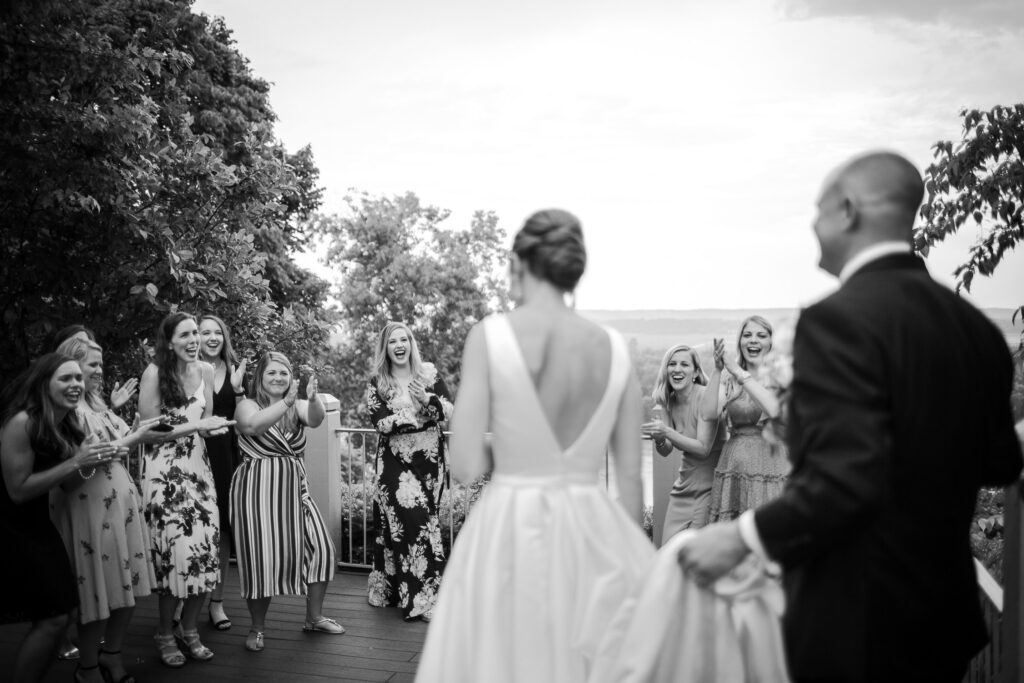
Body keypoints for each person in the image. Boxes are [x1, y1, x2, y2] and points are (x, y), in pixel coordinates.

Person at [677, 151, 1024, 683]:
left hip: (855, 614)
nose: (813, 226)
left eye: (817, 210)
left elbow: (847, 479)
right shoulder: (976, 329)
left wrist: (740, 538)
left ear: (848, 209)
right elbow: (1000, 460)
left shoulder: (835, 320)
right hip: (944, 615)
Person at [415, 209, 654, 682]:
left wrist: (514, 451)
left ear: (518, 263)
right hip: (593, 533)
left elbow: (463, 463)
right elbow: (630, 480)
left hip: (510, 525)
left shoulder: (490, 336)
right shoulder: (614, 347)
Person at [0, 353, 122, 683]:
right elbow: (18, 491)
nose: (75, 385)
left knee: (64, 612)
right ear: (44, 383)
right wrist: (75, 460)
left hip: (37, 525)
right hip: (12, 529)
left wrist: (96, 458)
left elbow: (68, 484)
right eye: (65, 379)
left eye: (77, 379)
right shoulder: (22, 422)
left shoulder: (63, 423)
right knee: (54, 617)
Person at [54, 337, 163, 683]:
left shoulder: (97, 404)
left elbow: (118, 448)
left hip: (121, 510)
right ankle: (87, 669)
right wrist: (132, 438)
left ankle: (111, 655)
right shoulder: (65, 412)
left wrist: (131, 429)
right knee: (98, 596)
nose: (99, 371)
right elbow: (77, 469)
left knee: (126, 594)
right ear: (70, 367)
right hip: (91, 513)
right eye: (93, 365)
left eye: (101, 364)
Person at [138, 312, 234, 668]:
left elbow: (204, 424)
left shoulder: (206, 372)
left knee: (206, 550)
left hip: (198, 468)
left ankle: (189, 629)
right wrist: (197, 424)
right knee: (175, 554)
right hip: (164, 473)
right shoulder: (154, 374)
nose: (194, 340)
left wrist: (214, 428)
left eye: (196, 333)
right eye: (186, 335)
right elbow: (149, 429)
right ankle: (164, 632)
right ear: (169, 342)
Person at [231, 351, 343, 652]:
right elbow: (252, 426)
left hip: (294, 489)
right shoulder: (246, 404)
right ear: (260, 378)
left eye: (283, 373)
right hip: (256, 491)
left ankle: (314, 617)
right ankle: (257, 629)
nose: (279, 378)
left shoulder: (297, 405)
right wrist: (288, 402)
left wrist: (314, 399)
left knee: (321, 547)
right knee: (260, 560)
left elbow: (316, 420)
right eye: (272, 373)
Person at [365, 322, 453, 622]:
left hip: (429, 462)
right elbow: (380, 421)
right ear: (385, 348)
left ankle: (390, 589)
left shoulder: (428, 373)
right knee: (415, 522)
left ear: (412, 343)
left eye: (404, 339)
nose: (399, 345)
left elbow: (448, 410)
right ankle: (424, 600)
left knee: (419, 522)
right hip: (393, 463)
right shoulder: (378, 380)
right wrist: (415, 415)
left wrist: (427, 400)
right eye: (393, 341)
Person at [702, 315, 790, 521]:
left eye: (761, 335)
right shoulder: (728, 377)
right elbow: (708, 413)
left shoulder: (780, 377)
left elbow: (774, 409)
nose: (753, 340)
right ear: (740, 341)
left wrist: (740, 372)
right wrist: (717, 370)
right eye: (747, 335)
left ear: (771, 343)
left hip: (772, 465)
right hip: (734, 466)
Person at [197, 314, 247, 632]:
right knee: (198, 527)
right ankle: (185, 600)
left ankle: (217, 603)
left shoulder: (234, 370)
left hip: (226, 454)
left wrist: (240, 390)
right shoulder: (186, 370)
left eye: (218, 333)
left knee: (224, 529)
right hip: (196, 452)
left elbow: (244, 420)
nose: (213, 338)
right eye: (205, 332)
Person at [645, 343, 725, 539]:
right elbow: (667, 449)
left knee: (691, 554)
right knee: (668, 551)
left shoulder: (706, 396)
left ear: (696, 372)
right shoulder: (667, 400)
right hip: (682, 488)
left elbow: (703, 449)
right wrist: (660, 439)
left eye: (684, 364)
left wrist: (667, 432)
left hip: (710, 487)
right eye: (672, 364)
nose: (677, 369)